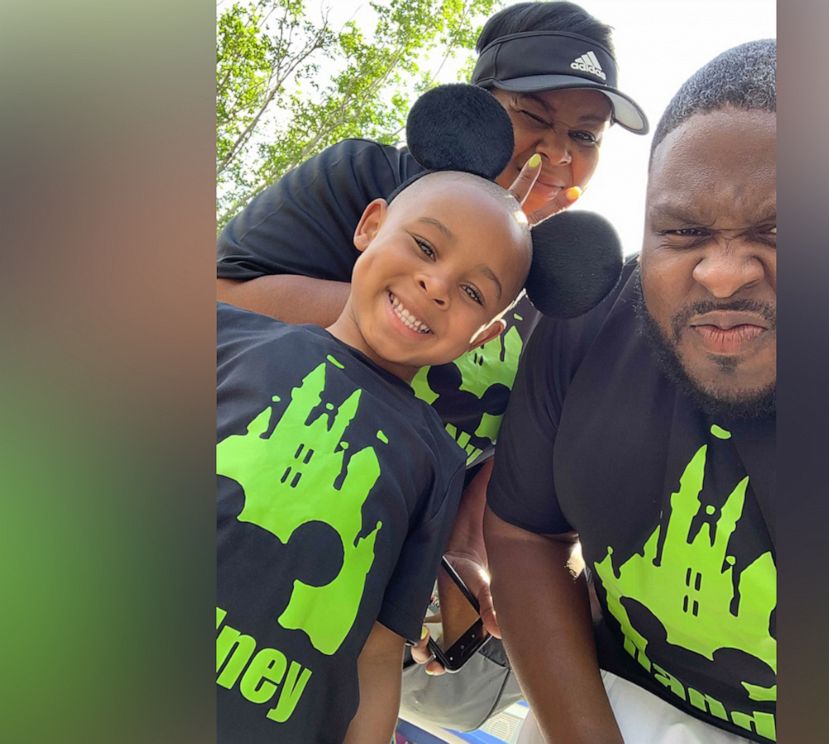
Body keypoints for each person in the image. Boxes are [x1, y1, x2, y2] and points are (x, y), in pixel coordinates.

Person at [216, 0, 647, 730]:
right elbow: (212, 298)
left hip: (402, 554)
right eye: (532, 116)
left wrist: (464, 556)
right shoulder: (364, 178)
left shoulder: (565, 299)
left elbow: (507, 462)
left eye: (584, 135)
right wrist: (422, 312)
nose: (557, 151)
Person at [484, 39, 777, 744]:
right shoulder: (586, 321)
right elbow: (525, 532)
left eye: (778, 229)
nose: (724, 274)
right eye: (684, 232)